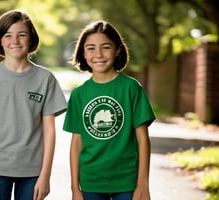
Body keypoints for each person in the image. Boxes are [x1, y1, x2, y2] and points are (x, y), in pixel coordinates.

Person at [0, 10, 67, 200]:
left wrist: (45, 176)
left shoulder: (45, 79)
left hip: (33, 171)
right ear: (0, 41)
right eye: (8, 35)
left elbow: (50, 132)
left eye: (22, 35)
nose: (15, 41)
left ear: (31, 39)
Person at [63, 20, 156, 200]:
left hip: (127, 181)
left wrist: (143, 185)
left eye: (106, 47)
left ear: (118, 50)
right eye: (90, 48)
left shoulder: (131, 88)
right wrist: (75, 188)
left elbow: (143, 139)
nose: (98, 54)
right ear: (83, 52)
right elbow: (76, 143)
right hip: (91, 181)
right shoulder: (79, 94)